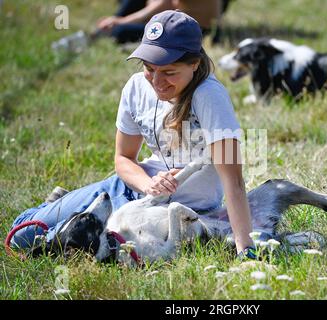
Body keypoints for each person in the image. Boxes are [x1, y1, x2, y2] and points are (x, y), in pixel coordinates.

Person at [10, 10, 255, 259]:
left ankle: (67, 208)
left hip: (177, 213)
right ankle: (59, 203)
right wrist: (149, 184)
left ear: (195, 63)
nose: (157, 82)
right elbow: (123, 158)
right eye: (150, 69)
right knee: (21, 236)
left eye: (169, 72)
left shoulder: (210, 97)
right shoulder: (137, 86)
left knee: (59, 247)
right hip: (126, 193)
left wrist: (245, 249)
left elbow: (233, 180)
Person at [94, 0, 231, 44]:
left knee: (120, 31)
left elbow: (164, 4)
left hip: (190, 29)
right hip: (186, 22)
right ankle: (106, 26)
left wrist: (121, 21)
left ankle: (110, 27)